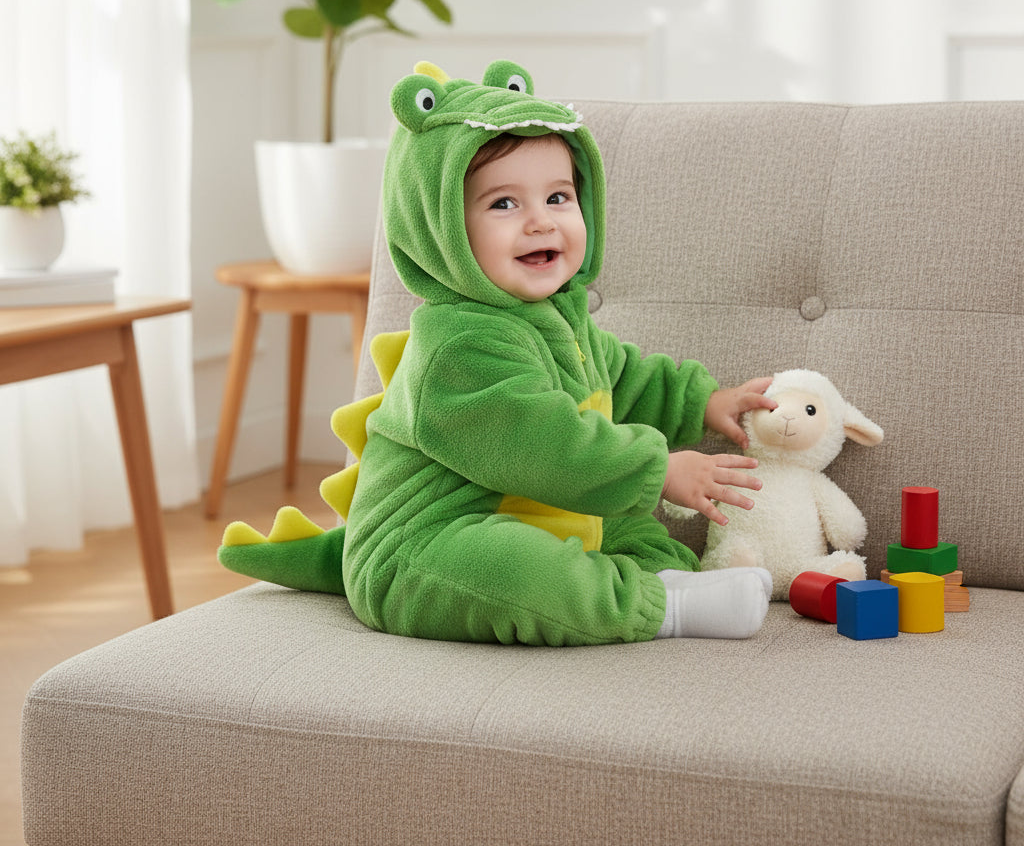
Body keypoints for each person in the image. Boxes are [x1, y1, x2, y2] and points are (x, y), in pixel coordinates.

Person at [219, 60, 777, 646]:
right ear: (444, 231)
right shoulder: (458, 347)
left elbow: (622, 376)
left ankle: (660, 576)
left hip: (536, 517)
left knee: (632, 528)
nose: (540, 222)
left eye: (559, 197)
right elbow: (545, 444)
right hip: (425, 548)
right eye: (504, 205)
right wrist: (658, 467)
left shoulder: (558, 318)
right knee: (511, 566)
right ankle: (659, 607)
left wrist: (702, 401)